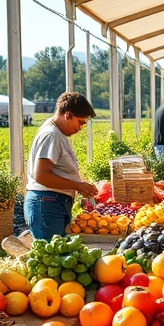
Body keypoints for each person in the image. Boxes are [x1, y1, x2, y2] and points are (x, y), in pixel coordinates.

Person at [25, 92, 98, 241]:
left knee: (55, 254)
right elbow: (42, 175)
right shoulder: (51, 135)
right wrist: (78, 185)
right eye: (80, 122)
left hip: (52, 203)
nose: (80, 128)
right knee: (50, 257)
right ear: (67, 115)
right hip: (47, 204)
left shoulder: (56, 132)